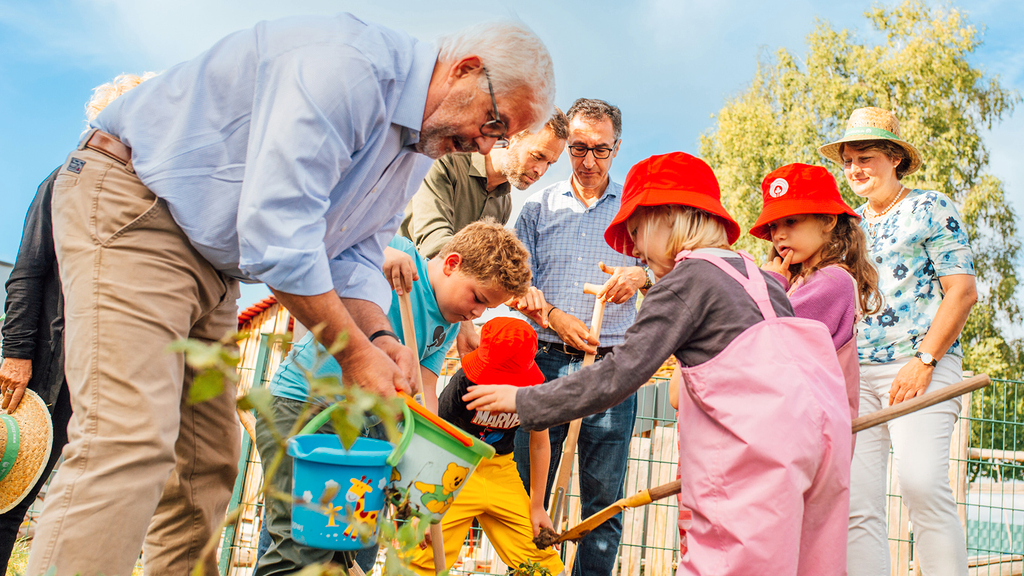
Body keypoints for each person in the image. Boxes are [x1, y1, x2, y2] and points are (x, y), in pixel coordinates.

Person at [32, 13, 555, 576]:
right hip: (141, 207)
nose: (488, 143)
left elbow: (352, 255)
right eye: (495, 122)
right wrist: (355, 353)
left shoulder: (413, 147)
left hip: (212, 258)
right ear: (466, 71)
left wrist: (380, 337)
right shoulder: (350, 69)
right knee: (129, 438)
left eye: (502, 137)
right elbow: (278, 233)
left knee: (207, 464)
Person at [465, 151, 852, 576]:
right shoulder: (756, 274)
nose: (635, 251)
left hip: (758, 447)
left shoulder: (686, 282)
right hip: (824, 439)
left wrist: (525, 401)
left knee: (726, 562)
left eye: (636, 231)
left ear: (668, 217)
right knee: (804, 563)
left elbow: (621, 372)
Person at [255, 220, 532, 575]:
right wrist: (380, 254)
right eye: (478, 298)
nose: (477, 314)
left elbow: (425, 389)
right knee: (303, 543)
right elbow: (334, 250)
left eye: (488, 307)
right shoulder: (400, 256)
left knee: (353, 546)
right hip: (309, 408)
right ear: (451, 264)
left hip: (369, 432)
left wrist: (423, 461)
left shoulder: (446, 320)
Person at [0, 72, 152, 573]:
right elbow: (26, 274)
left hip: (94, 371)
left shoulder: (144, 199)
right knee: (8, 494)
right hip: (42, 366)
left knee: (40, 497)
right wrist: (16, 356)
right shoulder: (64, 180)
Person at [819, 107, 977, 576]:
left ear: (894, 159)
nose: (855, 170)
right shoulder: (844, 225)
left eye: (866, 157)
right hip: (855, 373)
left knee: (923, 484)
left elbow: (963, 291)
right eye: (847, 161)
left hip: (922, 365)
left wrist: (925, 359)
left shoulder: (931, 207)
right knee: (858, 505)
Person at [511, 98, 646, 576]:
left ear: (618, 148)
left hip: (612, 367)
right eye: (578, 148)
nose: (589, 162)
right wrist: (551, 315)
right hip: (543, 362)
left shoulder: (637, 209)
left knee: (602, 506)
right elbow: (512, 284)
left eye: (601, 150)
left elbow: (667, 270)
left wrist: (639, 278)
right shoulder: (536, 208)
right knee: (528, 500)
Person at [400, 108, 568, 355]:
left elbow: (487, 270)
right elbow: (434, 243)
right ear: (510, 135)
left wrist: (516, 291)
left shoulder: (503, 203)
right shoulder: (447, 160)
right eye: (537, 156)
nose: (540, 171)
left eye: (549, 164)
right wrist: (466, 321)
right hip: (396, 296)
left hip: (437, 322)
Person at [409, 317, 564, 575]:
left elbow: (539, 443)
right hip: (452, 470)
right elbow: (434, 440)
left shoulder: (534, 390)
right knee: (422, 554)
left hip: (501, 473)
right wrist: (423, 508)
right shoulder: (463, 384)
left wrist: (537, 506)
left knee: (542, 560)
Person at [748, 162, 882, 426]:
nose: (779, 234)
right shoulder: (801, 281)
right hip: (798, 421)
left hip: (807, 427)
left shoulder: (831, 281)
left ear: (828, 220)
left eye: (791, 221)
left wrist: (769, 284)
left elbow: (763, 339)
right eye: (773, 226)